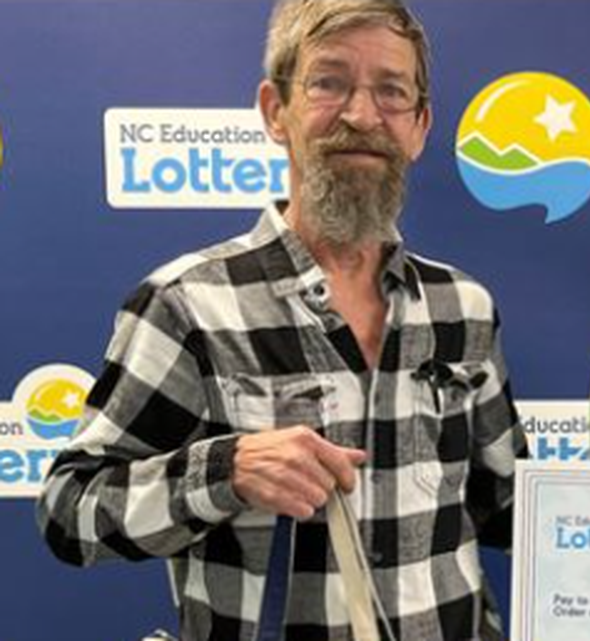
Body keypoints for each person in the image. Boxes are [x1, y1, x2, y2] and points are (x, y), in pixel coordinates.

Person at [36, 1, 525, 639]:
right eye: (329, 83)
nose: (360, 114)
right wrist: (226, 471)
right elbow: (69, 511)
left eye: (391, 91)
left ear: (419, 125)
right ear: (275, 110)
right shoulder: (187, 304)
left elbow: (505, 507)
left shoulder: (464, 307)